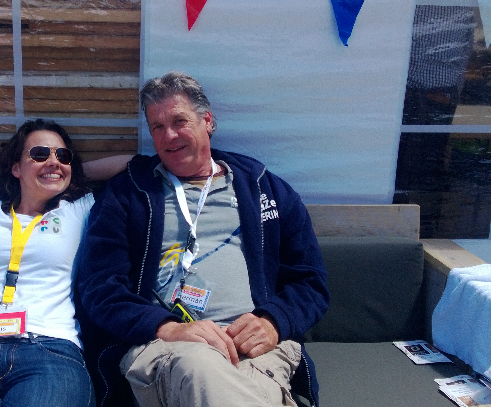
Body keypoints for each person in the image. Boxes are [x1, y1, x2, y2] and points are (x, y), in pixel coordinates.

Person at [75, 72, 331, 407]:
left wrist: (272, 322)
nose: (169, 135)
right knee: (200, 368)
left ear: (207, 121)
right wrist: (166, 327)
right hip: (168, 348)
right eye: (157, 127)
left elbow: (311, 282)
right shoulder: (129, 194)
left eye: (179, 121)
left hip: (254, 350)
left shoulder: (265, 189)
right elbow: (99, 286)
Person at [0, 119, 131, 407]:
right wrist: (5, 171)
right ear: (16, 167)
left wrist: (67, 173)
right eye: (40, 154)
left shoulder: (79, 209)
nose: (53, 161)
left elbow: (135, 163)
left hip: (49, 347)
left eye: (62, 155)